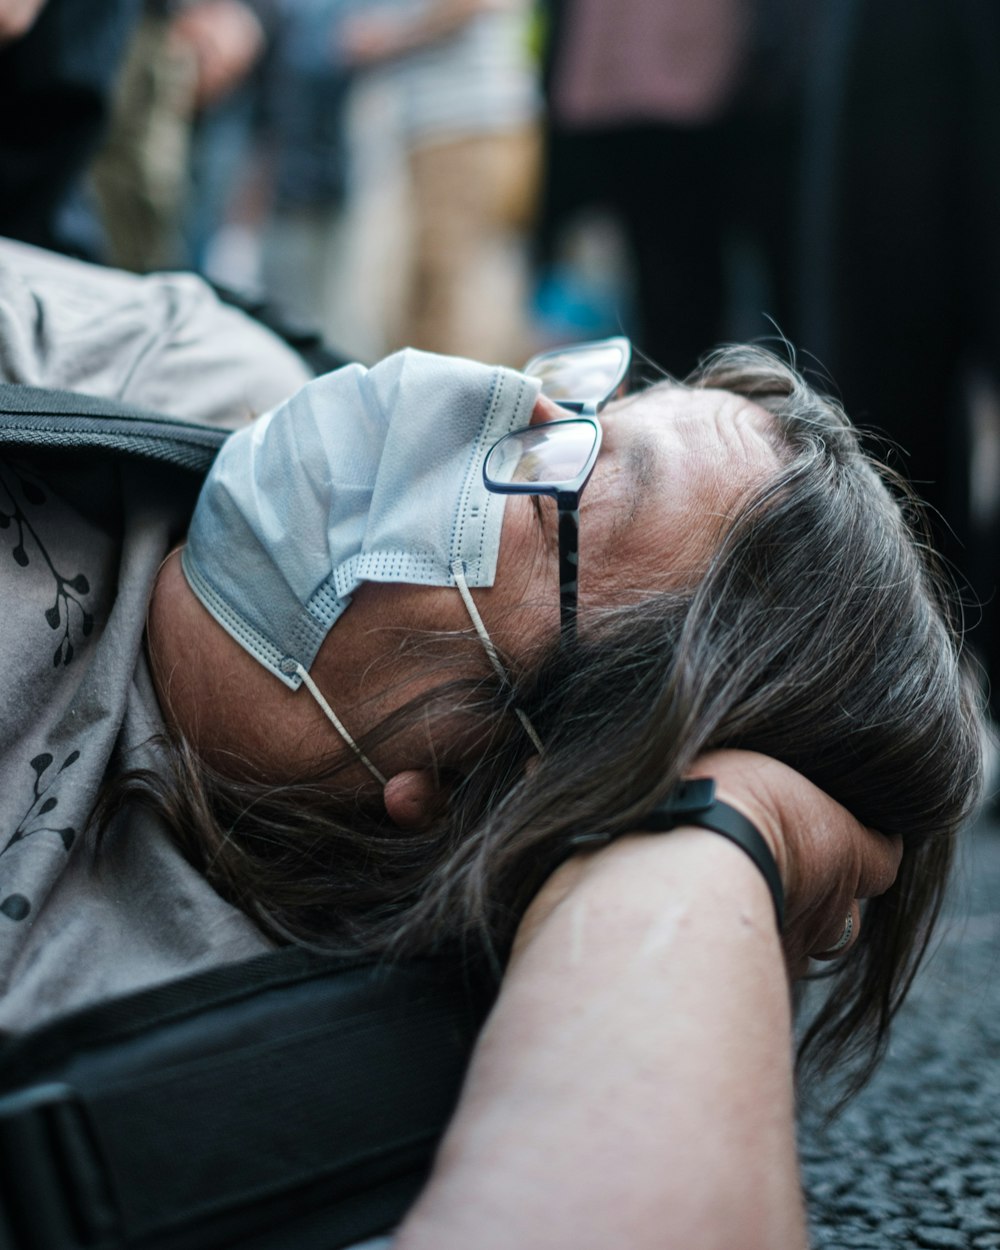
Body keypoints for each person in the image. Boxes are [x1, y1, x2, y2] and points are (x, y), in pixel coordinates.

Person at [0, 239, 983, 1247]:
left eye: (578, 486)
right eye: (584, 405)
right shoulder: (200, 374)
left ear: (492, 770)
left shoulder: (193, 1067)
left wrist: (717, 833)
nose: (485, 397)